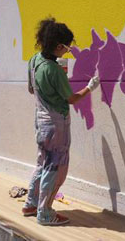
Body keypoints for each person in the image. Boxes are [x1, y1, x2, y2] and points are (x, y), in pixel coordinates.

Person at [22, 17, 100, 226]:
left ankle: (30, 204)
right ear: (58, 46)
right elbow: (72, 99)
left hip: (41, 119)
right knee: (55, 168)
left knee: (42, 163)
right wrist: (91, 87)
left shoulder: (34, 61)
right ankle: (45, 212)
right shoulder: (54, 70)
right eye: (67, 47)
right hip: (57, 124)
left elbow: (31, 89)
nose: (68, 51)